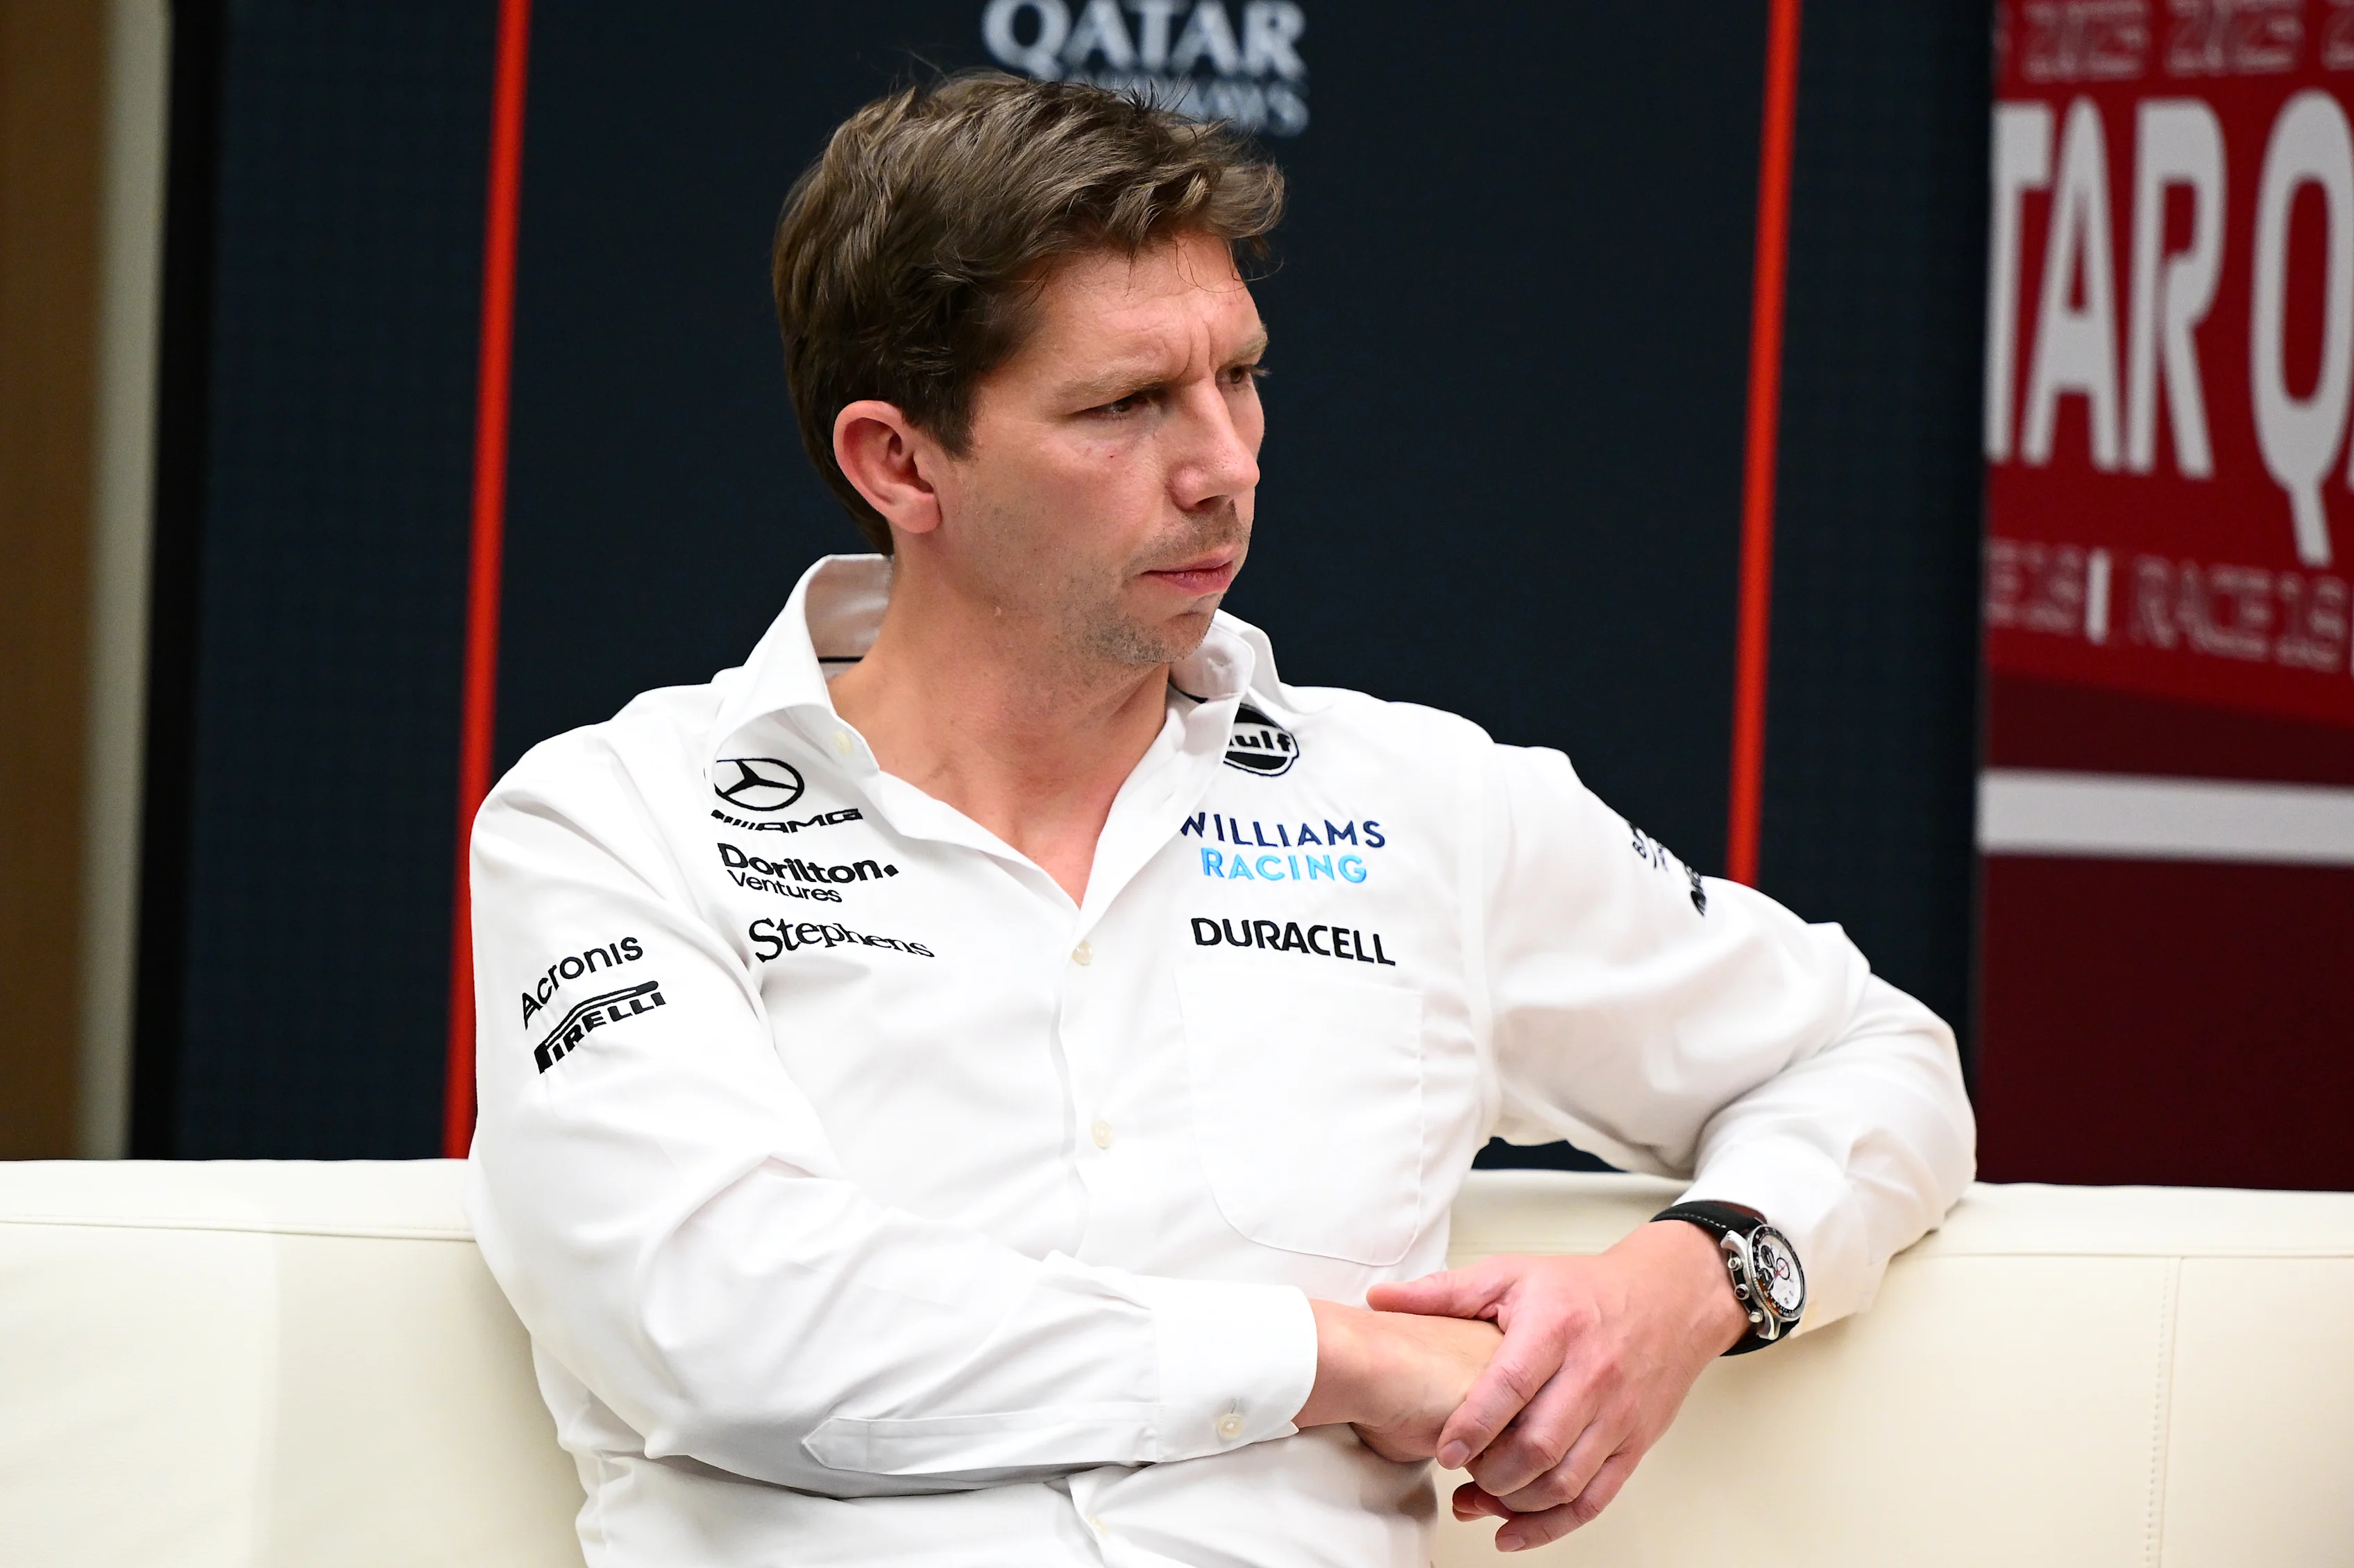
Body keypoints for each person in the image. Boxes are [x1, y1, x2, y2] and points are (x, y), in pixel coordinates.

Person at [464, 73, 1974, 1568]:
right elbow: (729, 1326)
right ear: (897, 459)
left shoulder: (1419, 805)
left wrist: (1681, 1287)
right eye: (1125, 406)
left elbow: (1876, 1054)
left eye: (1237, 377)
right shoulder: (613, 818)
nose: (1225, 466)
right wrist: (1337, 1359)